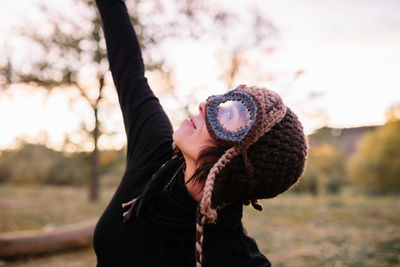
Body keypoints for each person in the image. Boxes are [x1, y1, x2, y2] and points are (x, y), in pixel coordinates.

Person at [93, 0, 308, 266]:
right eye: (224, 100)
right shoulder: (155, 154)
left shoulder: (238, 260)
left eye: (228, 115)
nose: (206, 104)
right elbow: (130, 70)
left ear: (236, 160)